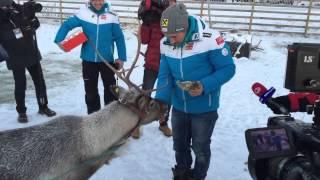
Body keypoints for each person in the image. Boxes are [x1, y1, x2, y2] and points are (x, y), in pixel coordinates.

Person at [155, 3, 236, 180]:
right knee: (179, 145)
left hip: (204, 109)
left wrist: (204, 85)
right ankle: (182, 172)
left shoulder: (210, 39)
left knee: (200, 147)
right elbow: (165, 74)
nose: (170, 40)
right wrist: (160, 100)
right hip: (179, 106)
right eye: (167, 36)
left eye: (174, 36)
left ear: (184, 28)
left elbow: (228, 68)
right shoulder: (166, 42)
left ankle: (198, 176)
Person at [54, 0, 126, 114]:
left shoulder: (112, 16)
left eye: (100, 0)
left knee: (111, 90)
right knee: (90, 91)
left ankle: (111, 116)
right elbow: (67, 24)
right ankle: (93, 117)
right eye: (95, 1)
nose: (98, 3)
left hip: (107, 60)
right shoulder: (83, 13)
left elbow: (119, 37)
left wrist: (121, 57)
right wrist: (59, 40)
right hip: (88, 60)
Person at [0, 0, 56, 123]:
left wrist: (31, 24)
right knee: (20, 85)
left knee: (40, 82)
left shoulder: (21, 9)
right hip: (14, 56)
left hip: (31, 51)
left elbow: (35, 22)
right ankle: (22, 112)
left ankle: (43, 106)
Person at [131, 0, 173, 139]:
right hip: (152, 64)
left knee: (165, 97)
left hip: (168, 66)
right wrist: (145, 23)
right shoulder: (153, 20)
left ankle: (163, 123)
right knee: (145, 95)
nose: (170, 4)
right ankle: (137, 123)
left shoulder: (173, 22)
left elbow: (170, 35)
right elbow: (144, 40)